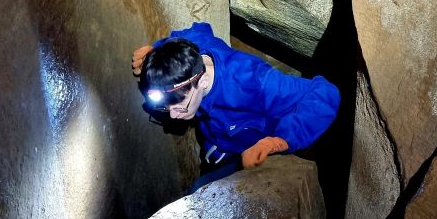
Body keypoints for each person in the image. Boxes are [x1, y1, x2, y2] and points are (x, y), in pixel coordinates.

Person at [132, 22, 339, 192]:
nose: (174, 116)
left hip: (252, 151)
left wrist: (277, 142)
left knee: (198, 193)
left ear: (202, 81)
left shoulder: (253, 81)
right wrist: (155, 53)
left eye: (180, 106)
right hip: (219, 142)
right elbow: (199, 29)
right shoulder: (191, 49)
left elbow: (324, 93)